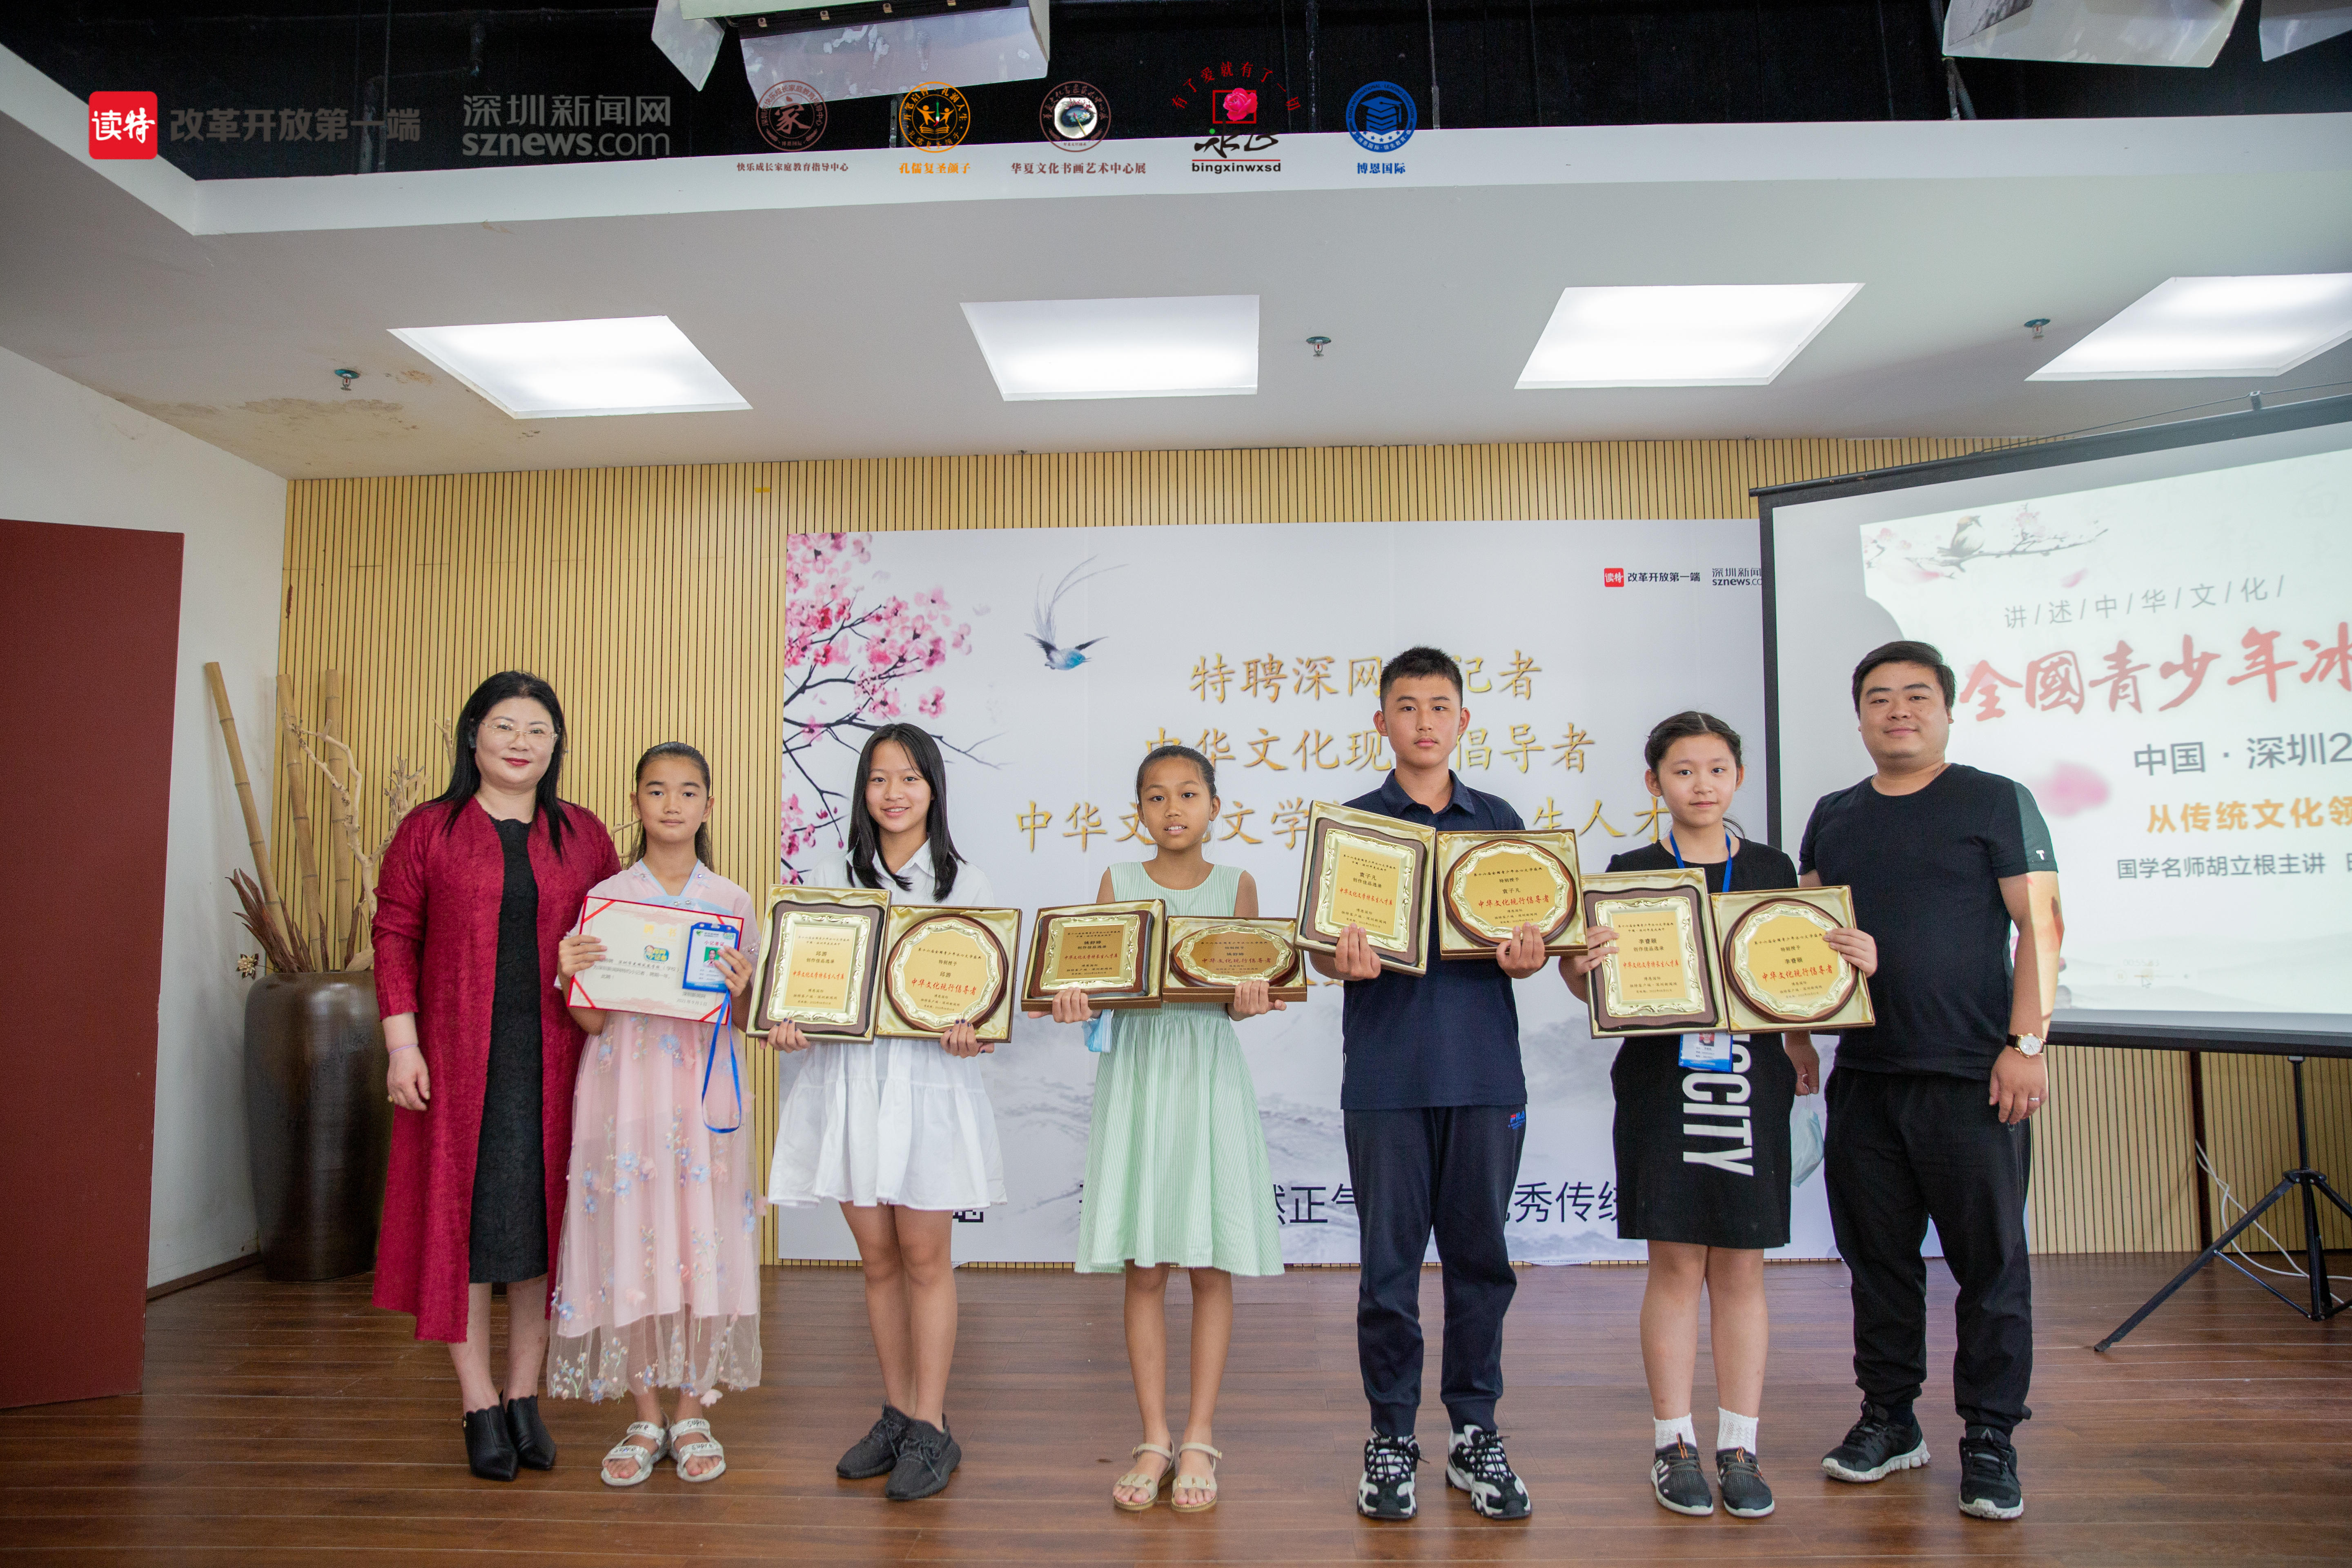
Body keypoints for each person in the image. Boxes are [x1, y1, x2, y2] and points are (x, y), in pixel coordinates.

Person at [1563, 711, 1875, 1520]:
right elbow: (1588, 985)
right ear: (1654, 783)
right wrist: (1581, 966)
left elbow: (1794, 968)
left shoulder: (1772, 867)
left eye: (1716, 770)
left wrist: (1831, 997)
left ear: (1737, 777)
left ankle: (1740, 1447)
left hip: (1752, 1080)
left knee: (1742, 1265)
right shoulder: (1628, 872)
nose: (1700, 785)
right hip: (1661, 1082)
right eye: (1682, 771)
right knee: (1675, 1265)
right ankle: (1673, 1446)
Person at [1800, 639, 2060, 1523]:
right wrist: (1795, 1031)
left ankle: (1990, 1436)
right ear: (1860, 717)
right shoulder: (1835, 814)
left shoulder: (1993, 799)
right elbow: (1801, 936)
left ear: (1948, 710)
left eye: (1916, 695)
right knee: (1877, 1265)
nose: (1898, 710)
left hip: (1973, 1078)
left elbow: (2042, 925)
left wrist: (2027, 1042)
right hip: (1866, 1078)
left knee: (1991, 1268)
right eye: (1879, 698)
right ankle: (1890, 1418)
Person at [1311, 646, 1551, 1523]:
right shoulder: (1355, 828)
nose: (1424, 721)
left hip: (1485, 1075)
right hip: (1386, 1079)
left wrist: (1529, 956)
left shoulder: (1500, 823)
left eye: (1439, 706)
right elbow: (1321, 949)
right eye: (1407, 707)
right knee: (1388, 1273)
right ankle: (1390, 1436)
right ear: (1381, 723)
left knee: (1482, 1265)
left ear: (1463, 721)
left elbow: (1530, 937)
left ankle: (1475, 1432)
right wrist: (1339, 958)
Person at [374, 670, 621, 1481]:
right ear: (473, 735)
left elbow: (622, 937)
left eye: (538, 730)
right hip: (455, 1063)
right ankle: (478, 1400)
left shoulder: (583, 835)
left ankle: (524, 1395)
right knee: (467, 1230)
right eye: (505, 726)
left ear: (556, 746)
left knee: (539, 1226)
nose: (521, 743)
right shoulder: (430, 829)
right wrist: (402, 1046)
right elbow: (394, 936)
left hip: (557, 1058)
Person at [1029, 744, 1286, 1515]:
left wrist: (1253, 1000)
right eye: (1156, 796)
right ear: (1139, 810)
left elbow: (1251, 990)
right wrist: (1077, 1000)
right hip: (1138, 1072)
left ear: (1215, 806)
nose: (1173, 808)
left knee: (1210, 1264)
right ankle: (1153, 1436)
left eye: (1188, 793)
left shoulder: (1240, 886)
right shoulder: (1118, 882)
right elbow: (1099, 980)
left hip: (1208, 1073)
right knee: (1144, 1266)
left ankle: (1200, 1435)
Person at [765, 723, 1004, 1502]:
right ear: (862, 791)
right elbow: (799, 987)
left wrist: (975, 1033)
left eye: (909, 778)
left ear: (934, 789)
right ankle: (898, 1415)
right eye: (878, 779)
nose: (893, 793)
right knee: (876, 1261)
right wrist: (789, 1021)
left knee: (926, 1259)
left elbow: (990, 1004)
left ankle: (933, 1426)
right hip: (850, 1088)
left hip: (928, 1091)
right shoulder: (828, 881)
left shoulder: (967, 885)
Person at [547, 742, 763, 1487]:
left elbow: (746, 1021)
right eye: (657, 790)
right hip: (626, 1090)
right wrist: (571, 977)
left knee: (704, 1239)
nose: (673, 804)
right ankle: (644, 1413)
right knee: (630, 1238)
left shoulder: (732, 902)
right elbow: (593, 1022)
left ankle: (693, 1410)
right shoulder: (608, 898)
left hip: (702, 1094)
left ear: (709, 806)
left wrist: (744, 989)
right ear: (636, 802)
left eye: (689, 791)